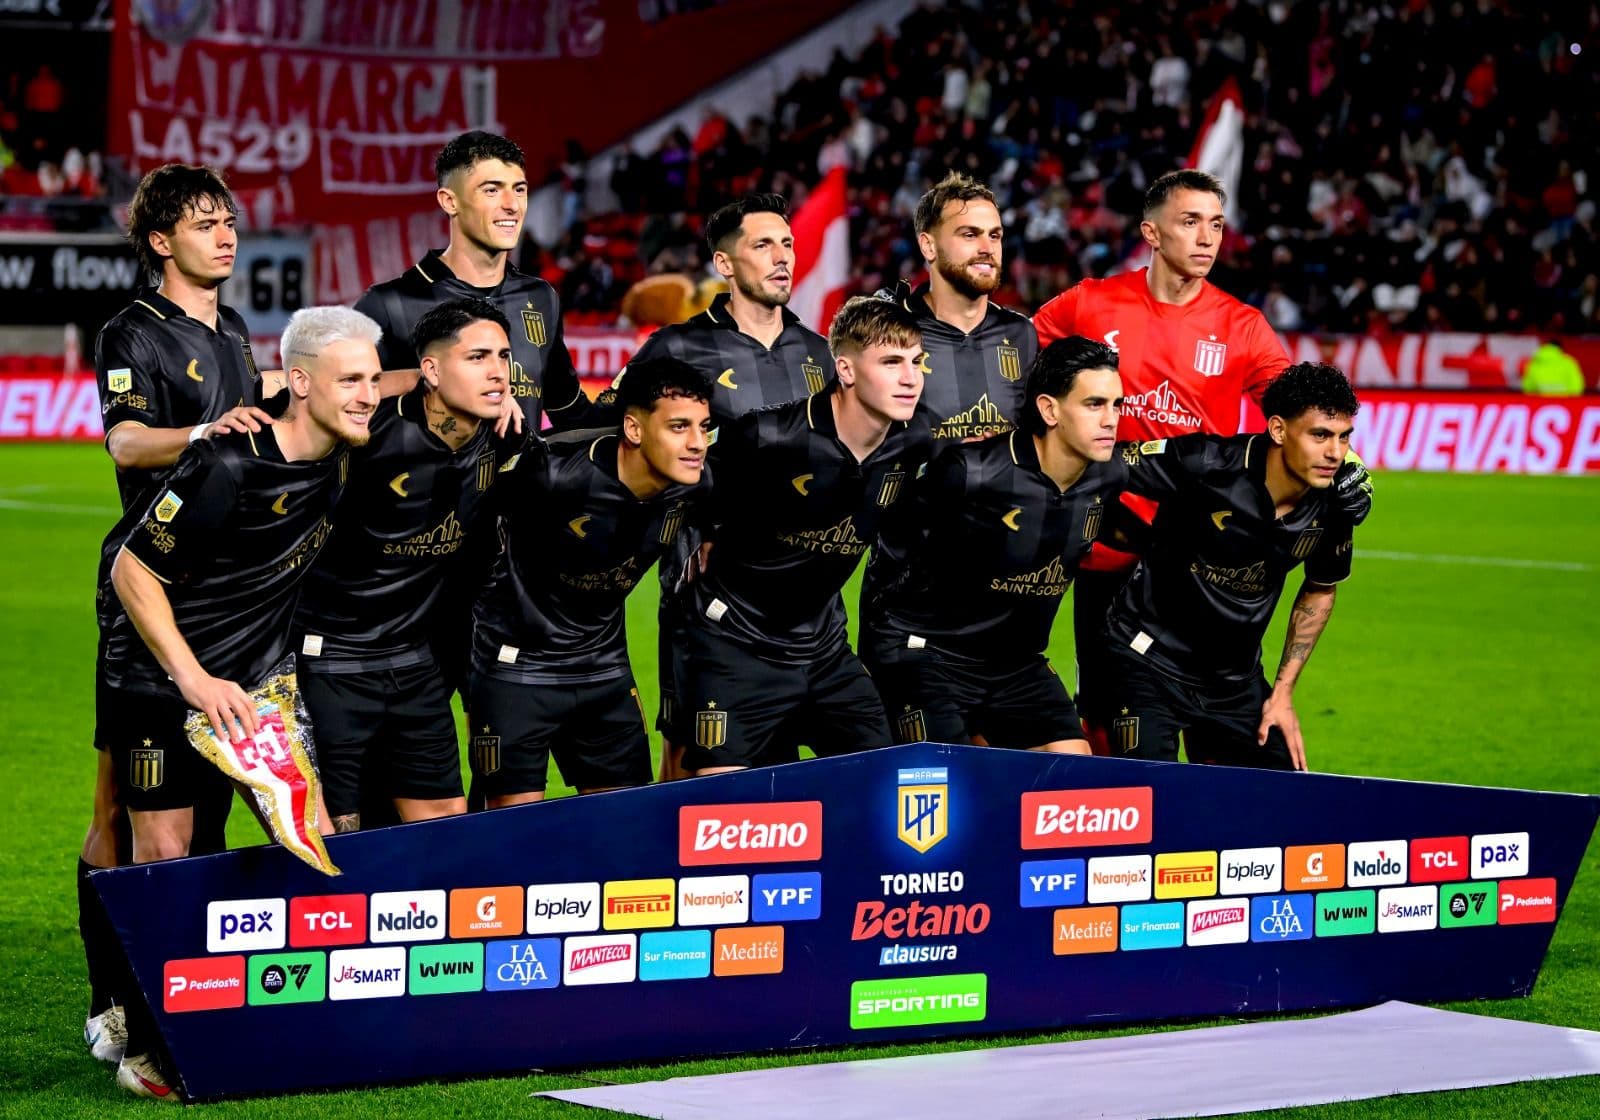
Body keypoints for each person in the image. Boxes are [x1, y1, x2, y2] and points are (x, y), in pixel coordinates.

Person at [102, 305, 381, 1098]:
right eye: (351, 380)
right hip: (161, 684)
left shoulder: (339, 451)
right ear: (299, 383)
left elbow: (417, 383)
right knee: (165, 860)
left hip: (259, 686)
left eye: (372, 377)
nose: (368, 394)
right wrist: (192, 680)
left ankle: (301, 1024)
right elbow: (132, 571)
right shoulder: (227, 464)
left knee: (314, 844)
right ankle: (151, 1046)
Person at [82, 162, 273, 1065]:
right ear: (162, 242)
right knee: (121, 808)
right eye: (205, 223)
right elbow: (124, 439)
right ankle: (112, 1004)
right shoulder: (131, 330)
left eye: (229, 220)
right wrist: (206, 429)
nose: (226, 234)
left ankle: (189, 990)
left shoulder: (233, 329)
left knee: (206, 815)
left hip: (226, 601)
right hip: (144, 587)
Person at [1031, 169, 1292, 745]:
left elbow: (1297, 411)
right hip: (1105, 543)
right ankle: (1113, 824)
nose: (1207, 238)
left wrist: (1342, 461)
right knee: (1105, 717)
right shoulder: (1092, 304)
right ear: (1151, 232)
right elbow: (1020, 358)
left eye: (1216, 224)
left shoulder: (1242, 327)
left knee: (1211, 719)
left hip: (1194, 560)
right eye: (1190, 222)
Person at [596, 193, 832, 780]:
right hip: (704, 593)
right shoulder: (677, 348)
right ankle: (676, 870)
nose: (782, 258)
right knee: (692, 754)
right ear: (725, 265)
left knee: (798, 762)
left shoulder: (821, 355)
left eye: (787, 244)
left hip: (809, 606)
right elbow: (614, 441)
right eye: (762, 246)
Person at [296, 298, 523, 832]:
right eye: (477, 357)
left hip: (415, 661)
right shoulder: (364, 434)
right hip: (332, 659)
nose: (498, 371)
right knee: (340, 831)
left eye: (504, 356)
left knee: (444, 822)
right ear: (431, 370)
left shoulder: (504, 437)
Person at [677, 296, 930, 775]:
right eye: (892, 362)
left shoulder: (915, 439)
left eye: (916, 361)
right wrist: (705, 533)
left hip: (824, 651)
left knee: (887, 789)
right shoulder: (769, 437)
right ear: (847, 371)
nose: (910, 377)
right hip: (737, 646)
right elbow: (687, 487)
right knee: (721, 813)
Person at [862, 338, 1127, 753]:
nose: (1111, 419)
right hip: (931, 656)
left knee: (1078, 779)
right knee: (958, 782)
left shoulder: (1109, 475)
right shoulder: (971, 472)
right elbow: (890, 550)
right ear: (1049, 409)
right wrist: (879, 653)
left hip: (1018, 667)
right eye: (1095, 404)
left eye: (1117, 405)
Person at [468, 356, 712, 804]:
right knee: (509, 842)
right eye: (679, 427)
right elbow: (466, 522)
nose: (698, 443)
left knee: (630, 830)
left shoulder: (695, 485)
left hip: (604, 671)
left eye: (704, 427)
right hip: (519, 672)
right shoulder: (551, 473)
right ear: (634, 431)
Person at [1101, 362, 1367, 772]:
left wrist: (1282, 693)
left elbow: (1321, 586)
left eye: (1343, 437)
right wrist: (1123, 534)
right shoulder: (1206, 463)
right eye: (1320, 435)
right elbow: (1102, 464)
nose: (1335, 452)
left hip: (1234, 682)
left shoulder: (1335, 503)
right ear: (1278, 430)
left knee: (1287, 800)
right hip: (1146, 662)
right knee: (1150, 799)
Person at [353, 130, 590, 431]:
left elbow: (571, 415)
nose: (512, 205)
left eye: (519, 189)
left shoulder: (540, 298)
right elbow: (338, 393)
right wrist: (441, 386)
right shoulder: (389, 305)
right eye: (491, 190)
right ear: (449, 201)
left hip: (521, 480)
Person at [888, 171, 1038, 442]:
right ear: (928, 246)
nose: (987, 248)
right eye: (970, 235)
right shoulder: (889, 333)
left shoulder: (1021, 334)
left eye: (995, 236)